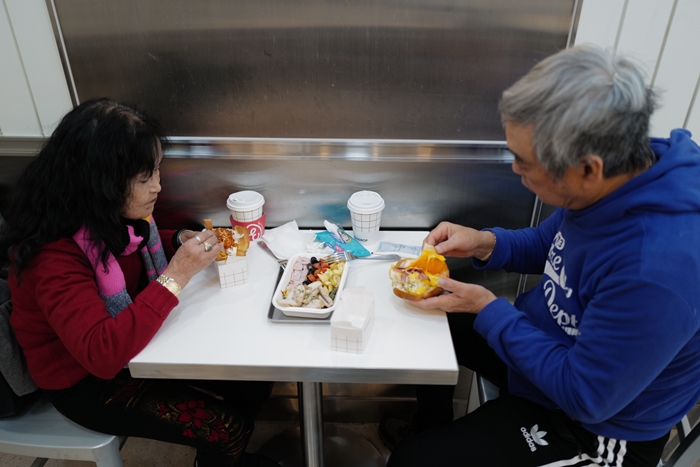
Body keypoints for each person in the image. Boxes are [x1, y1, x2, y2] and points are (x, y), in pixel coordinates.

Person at [385, 44, 700, 467]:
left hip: (592, 425)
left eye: (524, 161)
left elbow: (585, 395)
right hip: (545, 350)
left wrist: (489, 309)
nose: (515, 169)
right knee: (432, 318)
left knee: (413, 462)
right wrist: (484, 242)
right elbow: (551, 245)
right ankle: (432, 425)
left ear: (587, 169)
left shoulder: (657, 270)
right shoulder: (619, 175)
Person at [0, 98, 279, 467]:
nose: (157, 187)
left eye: (157, 171)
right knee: (224, 428)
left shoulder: (107, 214)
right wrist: (177, 274)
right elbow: (102, 354)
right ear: (100, 181)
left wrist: (180, 240)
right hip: (84, 381)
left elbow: (134, 249)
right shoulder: (51, 256)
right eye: (144, 178)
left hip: (136, 350)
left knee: (255, 377)